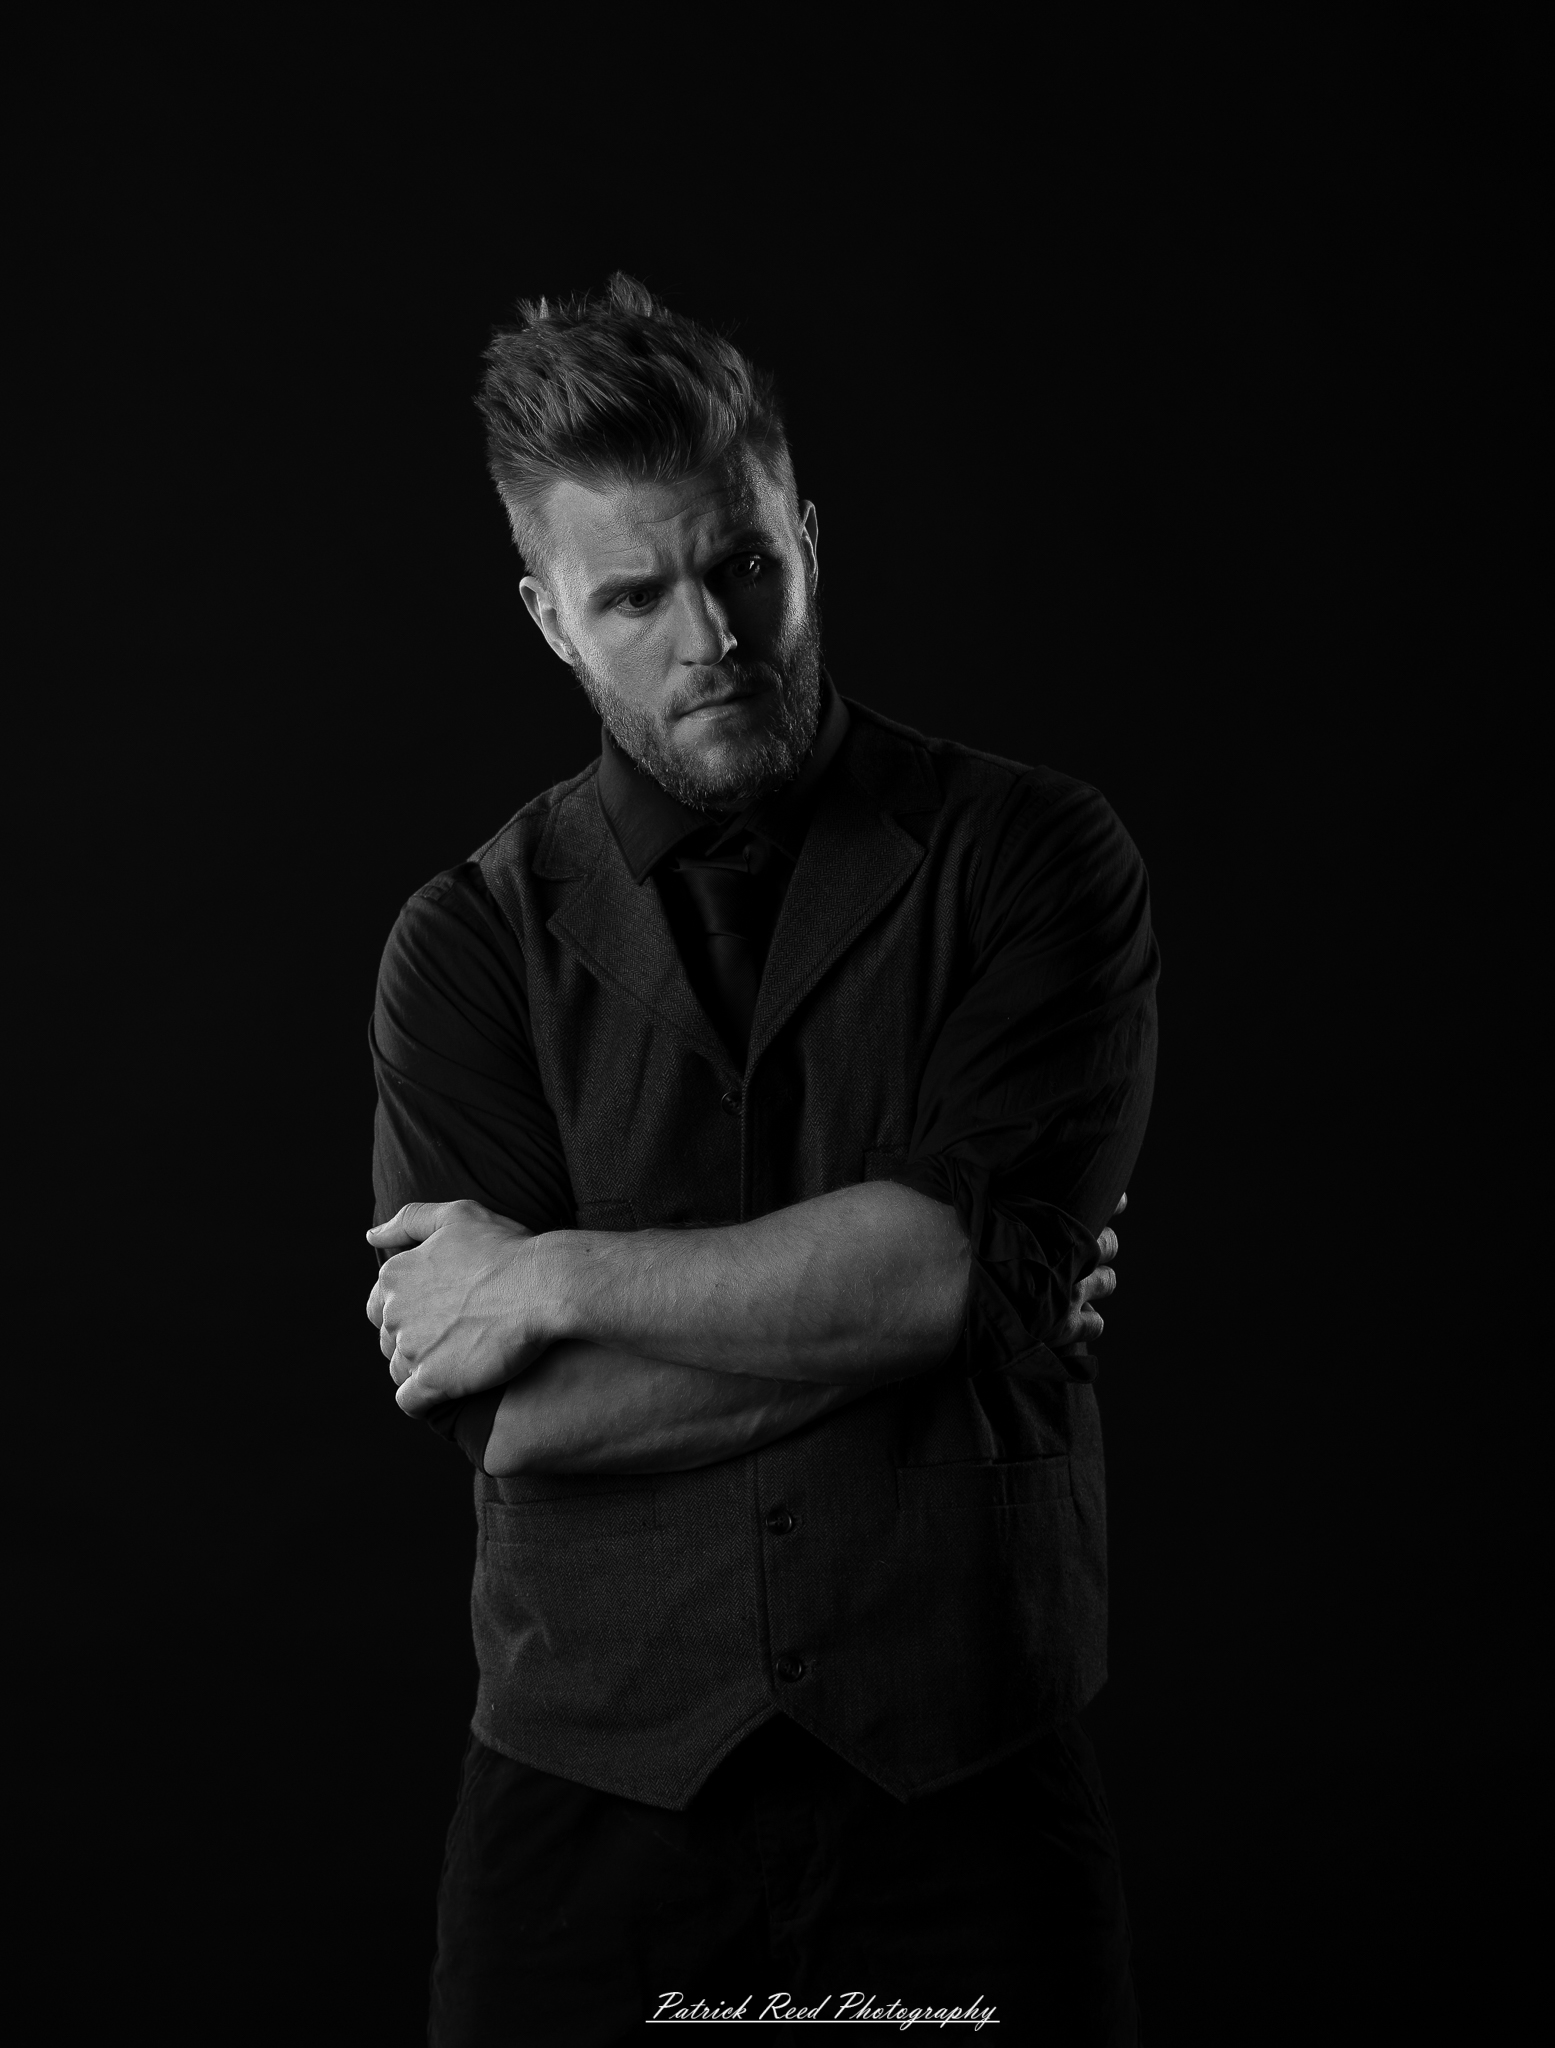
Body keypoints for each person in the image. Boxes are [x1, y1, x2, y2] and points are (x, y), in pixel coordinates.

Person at [367, 273, 1159, 2045]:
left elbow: (958, 1270)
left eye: (740, 565)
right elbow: (518, 1416)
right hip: (593, 1811)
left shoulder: (1037, 860)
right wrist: (930, 1308)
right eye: (632, 597)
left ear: (805, 533)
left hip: (965, 1785)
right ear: (550, 620)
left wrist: (558, 1277)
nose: (706, 634)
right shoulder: (466, 945)